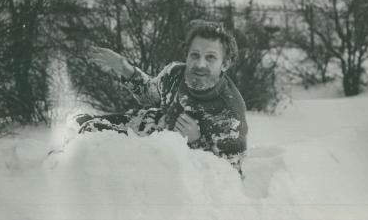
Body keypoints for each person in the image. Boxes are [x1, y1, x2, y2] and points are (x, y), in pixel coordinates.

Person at [77, 20, 248, 175]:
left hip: (160, 162)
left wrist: (197, 142)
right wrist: (124, 68)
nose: (199, 64)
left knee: (91, 135)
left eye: (210, 57)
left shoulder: (229, 111)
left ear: (225, 64)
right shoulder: (174, 73)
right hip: (146, 125)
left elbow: (231, 175)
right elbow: (150, 97)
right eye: (194, 55)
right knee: (80, 123)